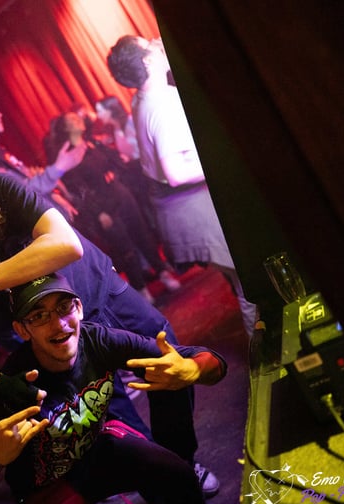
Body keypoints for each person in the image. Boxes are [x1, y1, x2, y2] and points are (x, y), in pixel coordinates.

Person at [0, 169, 219, 495]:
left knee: (167, 363)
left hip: (101, 291)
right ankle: (162, 480)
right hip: (58, 333)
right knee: (111, 415)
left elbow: (65, 244)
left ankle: (182, 461)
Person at [0, 274, 227, 504]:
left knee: (179, 475)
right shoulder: (14, 385)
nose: (59, 324)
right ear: (22, 329)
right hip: (48, 487)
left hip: (102, 450)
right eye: (39, 316)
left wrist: (192, 370)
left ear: (79, 308)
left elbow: (209, 360)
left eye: (64, 307)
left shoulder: (98, 339)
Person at [107, 35, 257, 338]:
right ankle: (270, 352)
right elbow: (175, 173)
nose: (156, 41)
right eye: (149, 44)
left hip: (183, 211)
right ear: (147, 61)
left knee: (246, 282)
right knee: (251, 286)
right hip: (194, 212)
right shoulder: (161, 104)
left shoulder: (143, 97)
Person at [44, 110, 181, 303]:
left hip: (120, 194)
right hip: (103, 207)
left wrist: (113, 170)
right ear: (66, 129)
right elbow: (79, 190)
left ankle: (163, 273)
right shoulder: (69, 156)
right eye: (72, 119)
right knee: (125, 247)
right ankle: (141, 290)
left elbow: (114, 161)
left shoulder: (92, 143)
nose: (78, 119)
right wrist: (99, 212)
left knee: (142, 235)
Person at [0, 93, 85, 221]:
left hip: (52, 213)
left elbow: (28, 179)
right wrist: (58, 168)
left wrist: (54, 195)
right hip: (43, 221)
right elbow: (20, 191)